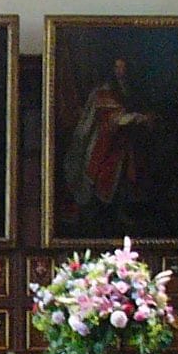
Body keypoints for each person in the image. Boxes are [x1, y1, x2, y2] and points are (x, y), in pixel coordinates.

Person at [61, 56, 151, 233]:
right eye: (117, 67)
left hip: (124, 145)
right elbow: (112, 118)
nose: (120, 70)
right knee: (102, 178)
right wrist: (134, 117)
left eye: (123, 67)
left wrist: (143, 118)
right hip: (104, 145)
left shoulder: (132, 89)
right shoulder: (104, 91)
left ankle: (118, 214)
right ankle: (97, 217)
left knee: (123, 181)